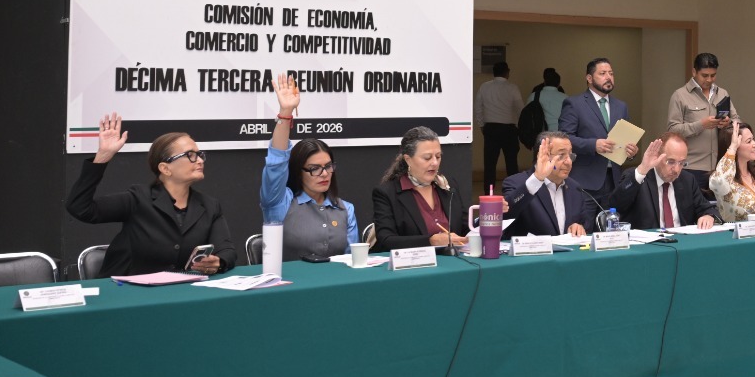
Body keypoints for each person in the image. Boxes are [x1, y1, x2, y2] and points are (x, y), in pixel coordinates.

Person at [65, 113, 236, 276]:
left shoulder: (210, 206)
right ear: (165, 168)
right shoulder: (138, 199)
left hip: (180, 290)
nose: (199, 160)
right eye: (190, 155)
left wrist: (219, 262)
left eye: (199, 155)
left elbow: (227, 250)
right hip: (128, 290)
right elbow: (80, 208)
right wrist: (102, 157)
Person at [259, 75, 357, 259]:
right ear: (298, 172)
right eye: (314, 168)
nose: (324, 174)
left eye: (328, 166)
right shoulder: (280, 203)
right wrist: (285, 113)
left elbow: (351, 260)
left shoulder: (345, 209)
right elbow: (276, 163)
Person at [372, 126, 468, 251]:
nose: (435, 163)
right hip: (413, 263)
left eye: (438, 156)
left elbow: (466, 228)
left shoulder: (448, 186)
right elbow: (386, 240)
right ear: (408, 160)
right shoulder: (387, 193)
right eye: (427, 158)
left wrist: (486, 221)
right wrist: (431, 241)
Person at [559, 57, 638, 206]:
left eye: (611, 73)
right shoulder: (574, 103)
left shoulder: (621, 106)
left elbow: (626, 139)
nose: (608, 77)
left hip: (614, 180)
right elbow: (564, 139)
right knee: (585, 221)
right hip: (585, 182)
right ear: (589, 78)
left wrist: (631, 152)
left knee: (611, 221)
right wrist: (593, 145)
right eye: (602, 73)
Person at [503, 133, 600, 237]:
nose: (569, 162)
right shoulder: (517, 183)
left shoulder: (575, 187)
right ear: (541, 155)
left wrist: (579, 227)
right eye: (561, 155)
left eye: (571, 155)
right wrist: (537, 179)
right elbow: (506, 215)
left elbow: (585, 224)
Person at [618, 134, 719, 230]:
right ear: (657, 157)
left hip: (682, 240)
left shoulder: (687, 180)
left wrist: (708, 216)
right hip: (649, 241)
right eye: (671, 162)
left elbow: (707, 208)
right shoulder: (637, 177)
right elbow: (616, 205)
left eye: (681, 163)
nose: (676, 169)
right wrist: (641, 171)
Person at [666, 52, 734, 195]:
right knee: (691, 207)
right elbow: (672, 130)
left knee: (717, 208)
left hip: (719, 167)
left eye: (713, 75)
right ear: (694, 72)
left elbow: (738, 121)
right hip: (691, 167)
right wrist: (701, 125)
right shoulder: (680, 95)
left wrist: (728, 123)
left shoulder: (723, 94)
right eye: (704, 75)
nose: (709, 79)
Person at [474, 61, 524, 184]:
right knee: (512, 164)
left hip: (491, 129)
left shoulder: (484, 87)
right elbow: (520, 109)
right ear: (507, 72)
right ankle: (514, 190)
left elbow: (478, 107)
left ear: (494, 72)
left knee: (490, 165)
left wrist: (482, 125)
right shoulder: (512, 88)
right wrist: (519, 126)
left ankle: (489, 192)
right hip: (509, 130)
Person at [533, 67, 565, 132]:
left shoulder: (535, 93)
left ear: (544, 80)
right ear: (558, 83)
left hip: (539, 130)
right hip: (558, 130)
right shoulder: (564, 96)